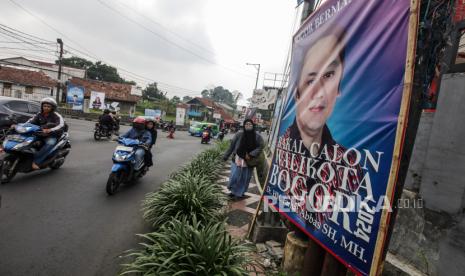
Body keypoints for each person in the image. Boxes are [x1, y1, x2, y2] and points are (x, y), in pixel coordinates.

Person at [279, 25, 363, 224]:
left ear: (339, 88)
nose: (319, 93)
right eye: (309, 81)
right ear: (297, 93)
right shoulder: (281, 152)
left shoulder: (350, 168)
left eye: (328, 76)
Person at [223, 119, 264, 198]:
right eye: (246, 124)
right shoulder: (239, 134)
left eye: (250, 124)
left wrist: (251, 154)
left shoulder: (257, 136)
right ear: (244, 125)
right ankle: (233, 190)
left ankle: (240, 193)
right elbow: (232, 145)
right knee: (234, 176)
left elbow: (260, 146)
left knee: (245, 178)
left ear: (253, 125)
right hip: (237, 158)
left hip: (249, 160)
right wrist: (226, 156)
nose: (248, 126)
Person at [23, 97, 65, 170]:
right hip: (39, 134)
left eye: (49, 106)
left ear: (52, 107)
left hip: (51, 135)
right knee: (25, 141)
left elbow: (61, 125)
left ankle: (36, 162)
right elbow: (30, 122)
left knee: (50, 144)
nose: (46, 108)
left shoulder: (56, 115)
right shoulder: (39, 114)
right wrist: (20, 126)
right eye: (44, 106)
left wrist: (50, 130)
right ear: (42, 106)